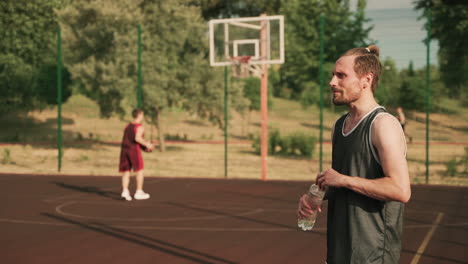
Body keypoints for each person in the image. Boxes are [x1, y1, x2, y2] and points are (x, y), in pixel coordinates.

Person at [297, 45, 411, 263]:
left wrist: (343, 179)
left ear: (366, 80)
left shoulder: (383, 124)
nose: (332, 82)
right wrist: (316, 195)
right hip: (339, 250)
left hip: (372, 255)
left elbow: (401, 190)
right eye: (333, 75)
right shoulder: (339, 125)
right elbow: (347, 181)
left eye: (341, 76)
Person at [119, 108, 154, 201]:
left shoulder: (127, 126)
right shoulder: (139, 126)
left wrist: (145, 146)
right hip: (133, 150)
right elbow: (137, 138)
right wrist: (148, 145)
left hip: (124, 150)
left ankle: (125, 191)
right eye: (142, 114)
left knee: (126, 171)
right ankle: (139, 191)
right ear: (139, 115)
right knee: (139, 170)